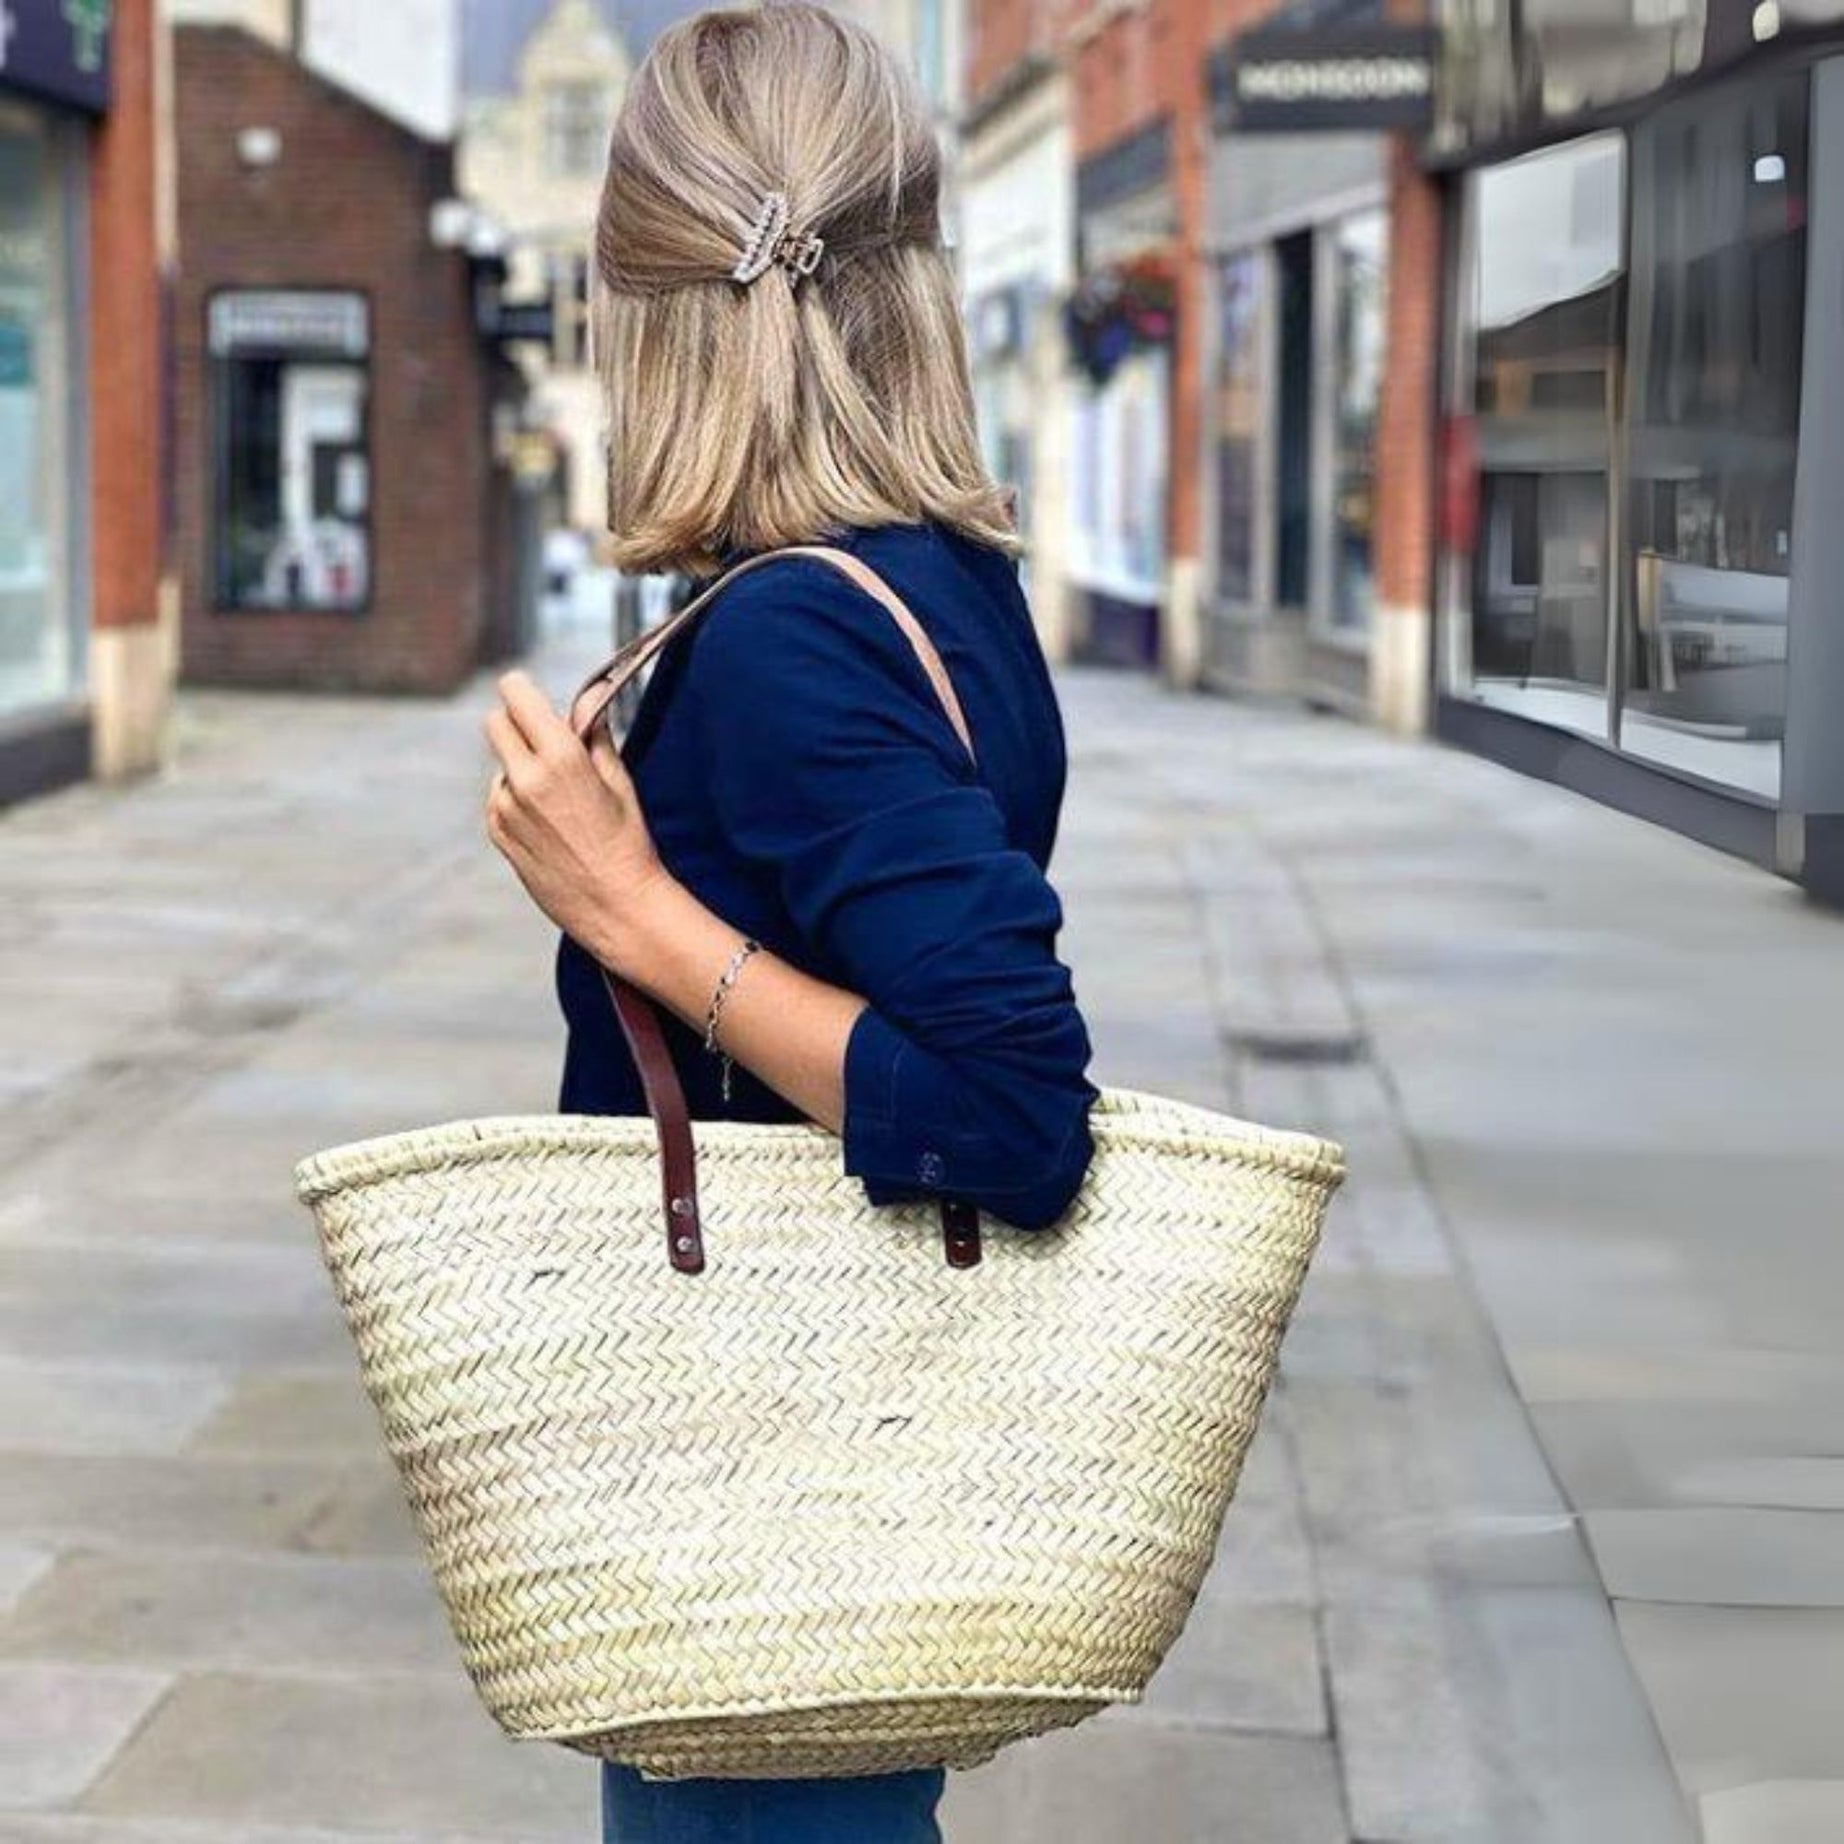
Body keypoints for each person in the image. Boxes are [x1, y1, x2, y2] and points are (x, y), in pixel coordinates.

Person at [480, 6, 1097, 1838]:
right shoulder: (946, 583)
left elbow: (1011, 1109)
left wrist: (632, 910)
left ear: (649, 313)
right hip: (844, 1457)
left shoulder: (791, 633)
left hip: (757, 1482)